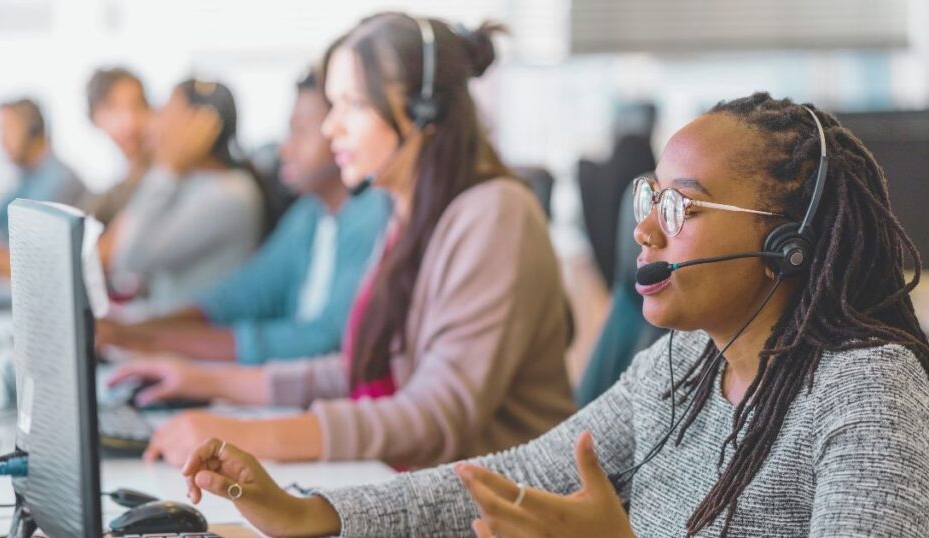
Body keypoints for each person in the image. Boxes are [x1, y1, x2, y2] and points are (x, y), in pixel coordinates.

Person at [178, 93, 929, 538]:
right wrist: (310, 514)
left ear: (786, 243)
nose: (646, 231)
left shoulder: (866, 394)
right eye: (650, 197)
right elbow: (511, 474)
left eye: (681, 206)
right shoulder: (686, 364)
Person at [110, 13, 575, 469]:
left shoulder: (493, 214)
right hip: (430, 487)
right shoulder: (409, 214)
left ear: (424, 110)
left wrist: (245, 434)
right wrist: (204, 379)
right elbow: (358, 372)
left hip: (500, 506)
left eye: (352, 103)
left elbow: (436, 415)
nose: (331, 126)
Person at [96, 68, 391, 365]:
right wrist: (132, 332)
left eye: (300, 131)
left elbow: (323, 339)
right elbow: (242, 295)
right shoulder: (311, 213)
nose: (285, 148)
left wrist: (142, 339)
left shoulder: (372, 215)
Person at [107, 79, 265, 314]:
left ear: (199, 126)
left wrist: (167, 167)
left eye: (167, 112)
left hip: (191, 340)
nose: (154, 122)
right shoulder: (191, 181)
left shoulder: (229, 195)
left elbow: (130, 257)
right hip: (164, 327)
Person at [0, 98, 88, 276]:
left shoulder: (61, 181)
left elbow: (38, 262)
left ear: (32, 131)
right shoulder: (26, 177)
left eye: (7, 130)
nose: (1, 141)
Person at [82, 67, 153, 227]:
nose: (130, 121)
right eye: (113, 108)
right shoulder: (119, 178)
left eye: (138, 106)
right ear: (95, 116)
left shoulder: (165, 169)